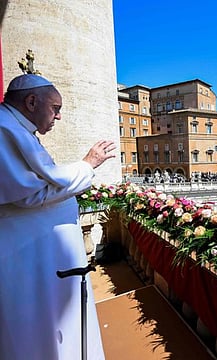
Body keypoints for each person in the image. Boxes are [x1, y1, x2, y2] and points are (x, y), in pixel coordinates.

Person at [0, 74, 115, 360]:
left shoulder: (18, 129)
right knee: (36, 330)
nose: (59, 116)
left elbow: (41, 185)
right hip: (26, 256)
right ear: (30, 102)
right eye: (55, 108)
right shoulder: (5, 129)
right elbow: (30, 195)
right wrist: (87, 165)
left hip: (37, 254)